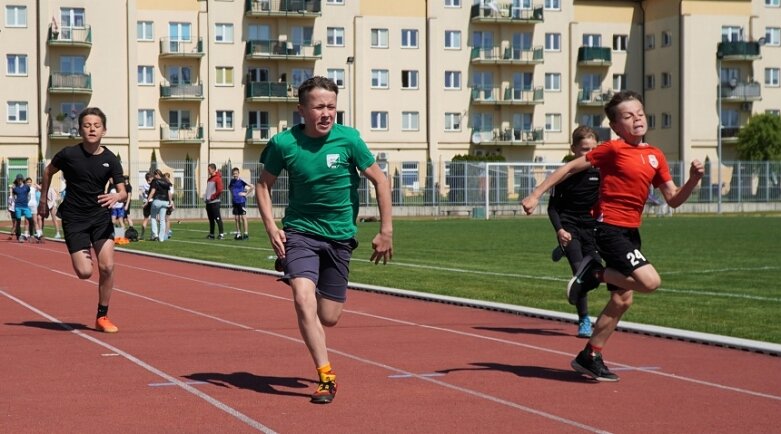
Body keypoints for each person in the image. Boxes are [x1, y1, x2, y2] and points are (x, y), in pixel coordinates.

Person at [521, 90, 704, 382]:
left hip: (631, 232)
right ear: (617, 126)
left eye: (640, 113)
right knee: (650, 282)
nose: (637, 119)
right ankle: (594, 274)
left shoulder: (655, 155)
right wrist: (535, 194)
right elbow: (570, 167)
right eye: (628, 116)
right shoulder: (613, 150)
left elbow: (673, 199)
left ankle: (589, 356)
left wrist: (693, 180)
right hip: (608, 228)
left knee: (623, 299)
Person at [256, 76, 393, 404]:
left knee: (329, 316)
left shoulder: (350, 140)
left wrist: (386, 230)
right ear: (301, 110)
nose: (326, 113)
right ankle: (326, 377)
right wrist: (272, 228)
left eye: (331, 106)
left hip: (340, 238)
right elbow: (263, 186)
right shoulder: (284, 144)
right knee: (303, 299)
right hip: (300, 232)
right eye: (318, 106)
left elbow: (380, 180)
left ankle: (308, 278)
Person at [37, 107, 127, 333]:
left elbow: (123, 191)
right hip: (74, 219)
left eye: (96, 125)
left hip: (99, 218)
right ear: (80, 130)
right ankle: (81, 248)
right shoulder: (68, 154)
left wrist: (117, 195)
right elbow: (48, 171)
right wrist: (42, 200)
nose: (92, 129)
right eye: (87, 125)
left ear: (104, 130)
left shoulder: (110, 159)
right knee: (85, 272)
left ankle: (102, 316)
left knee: (107, 267)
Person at [547, 126, 601, 338]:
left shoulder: (601, 172)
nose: (589, 154)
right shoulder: (564, 174)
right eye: (584, 149)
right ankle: (584, 320)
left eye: (593, 149)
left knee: (596, 273)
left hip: (592, 227)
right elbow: (552, 208)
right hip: (569, 226)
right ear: (573, 149)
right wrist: (560, 229)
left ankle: (563, 249)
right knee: (580, 273)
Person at [147, 169, 173, 242]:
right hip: (165, 202)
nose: (154, 177)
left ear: (157, 174)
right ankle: (161, 238)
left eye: (154, 175)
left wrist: (147, 201)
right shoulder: (166, 181)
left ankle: (155, 235)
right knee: (162, 220)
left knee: (153, 217)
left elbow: (152, 192)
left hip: (157, 201)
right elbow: (169, 193)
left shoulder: (155, 181)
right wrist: (170, 202)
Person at [229, 167, 253, 240]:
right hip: (235, 202)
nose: (235, 175)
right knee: (236, 218)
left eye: (236, 173)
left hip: (241, 202)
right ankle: (238, 234)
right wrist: (233, 194)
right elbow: (229, 187)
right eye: (234, 174)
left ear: (238, 173)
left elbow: (252, 187)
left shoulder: (242, 180)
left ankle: (245, 234)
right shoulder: (232, 181)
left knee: (243, 217)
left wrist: (245, 194)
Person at [11, 174, 36, 242]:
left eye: (20, 179)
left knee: (31, 220)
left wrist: (27, 201)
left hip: (25, 206)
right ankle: (19, 236)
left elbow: (28, 195)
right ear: (17, 180)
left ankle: (31, 236)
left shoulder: (26, 187)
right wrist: (14, 203)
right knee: (18, 221)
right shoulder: (15, 188)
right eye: (18, 179)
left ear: (22, 179)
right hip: (18, 207)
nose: (19, 181)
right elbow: (13, 196)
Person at [204, 163, 225, 240]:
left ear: (213, 169)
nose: (208, 171)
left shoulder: (217, 178)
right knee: (211, 219)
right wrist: (206, 197)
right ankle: (212, 234)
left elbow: (220, 190)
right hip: (208, 202)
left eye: (209, 169)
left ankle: (221, 234)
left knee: (217, 218)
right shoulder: (209, 179)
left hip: (215, 202)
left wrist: (212, 197)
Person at [139, 172, 153, 240]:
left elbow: (141, 194)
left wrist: (143, 200)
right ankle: (153, 235)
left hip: (145, 202)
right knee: (153, 219)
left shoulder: (143, 185)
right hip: (151, 202)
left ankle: (142, 235)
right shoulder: (153, 185)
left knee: (145, 219)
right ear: (150, 178)